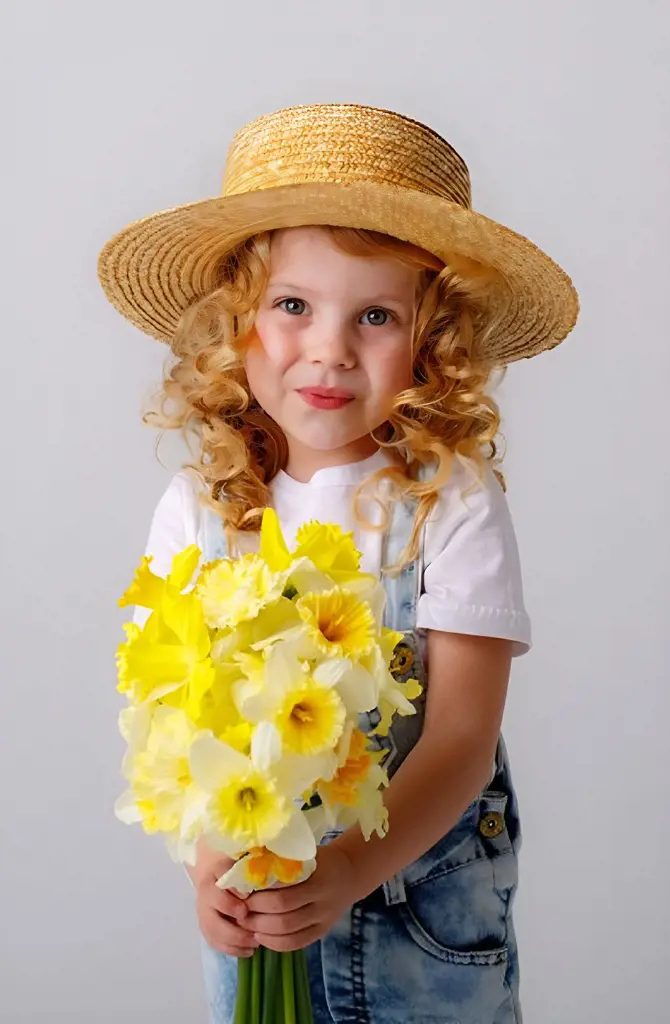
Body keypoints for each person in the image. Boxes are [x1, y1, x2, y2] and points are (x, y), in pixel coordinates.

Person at [98, 102, 578, 1023]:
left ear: (431, 345)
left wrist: (351, 867)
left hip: (421, 926)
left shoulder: (447, 500)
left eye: (375, 316)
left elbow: (461, 741)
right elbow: (176, 726)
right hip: (261, 911)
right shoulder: (204, 510)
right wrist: (212, 865)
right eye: (291, 306)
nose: (328, 348)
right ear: (235, 324)